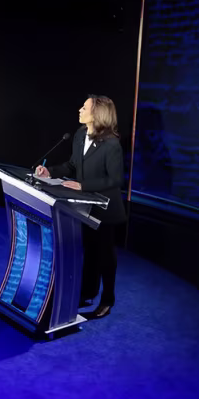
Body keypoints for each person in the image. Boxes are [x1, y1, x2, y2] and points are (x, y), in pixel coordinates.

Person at [34, 95, 126, 318]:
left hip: (105, 209)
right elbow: (73, 165)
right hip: (85, 206)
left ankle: (107, 299)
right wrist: (50, 172)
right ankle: (87, 292)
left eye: (84, 107)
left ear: (97, 114)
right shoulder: (79, 134)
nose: (80, 109)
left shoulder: (111, 144)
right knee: (90, 251)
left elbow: (115, 180)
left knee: (105, 254)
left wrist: (82, 185)